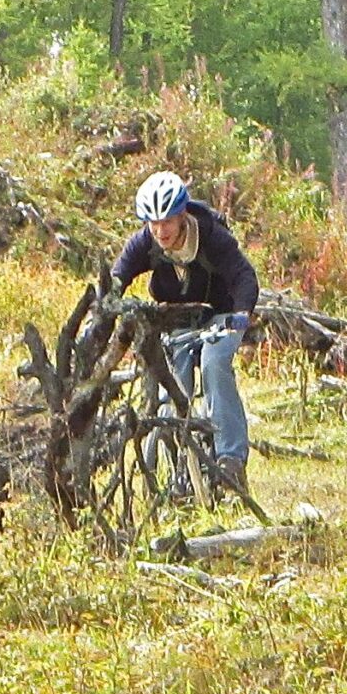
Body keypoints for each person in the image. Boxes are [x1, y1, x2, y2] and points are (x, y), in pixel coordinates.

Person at [111, 170, 258, 495]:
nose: (160, 230)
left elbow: (243, 276)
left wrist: (240, 315)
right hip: (175, 320)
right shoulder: (146, 243)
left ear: (182, 216)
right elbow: (117, 275)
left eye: (167, 222)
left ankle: (230, 458)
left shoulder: (210, 236)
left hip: (220, 314)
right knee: (173, 383)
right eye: (153, 222)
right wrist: (105, 304)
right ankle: (181, 470)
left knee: (213, 364)